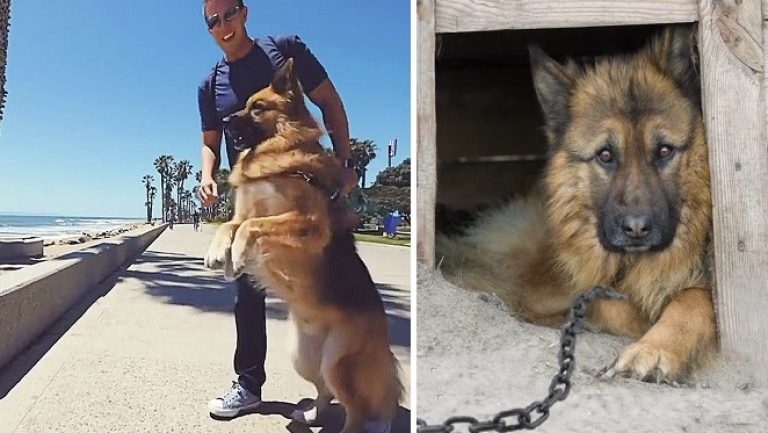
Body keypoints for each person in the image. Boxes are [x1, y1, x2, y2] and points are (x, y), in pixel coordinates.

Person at [197, 0, 357, 420]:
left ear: (244, 12)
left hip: (302, 178)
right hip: (251, 186)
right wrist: (207, 175)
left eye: (228, 13)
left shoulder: (283, 50)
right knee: (247, 288)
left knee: (335, 279)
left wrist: (345, 162)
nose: (223, 25)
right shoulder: (210, 83)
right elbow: (210, 140)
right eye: (213, 21)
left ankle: (349, 384)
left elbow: (330, 102)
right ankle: (248, 385)